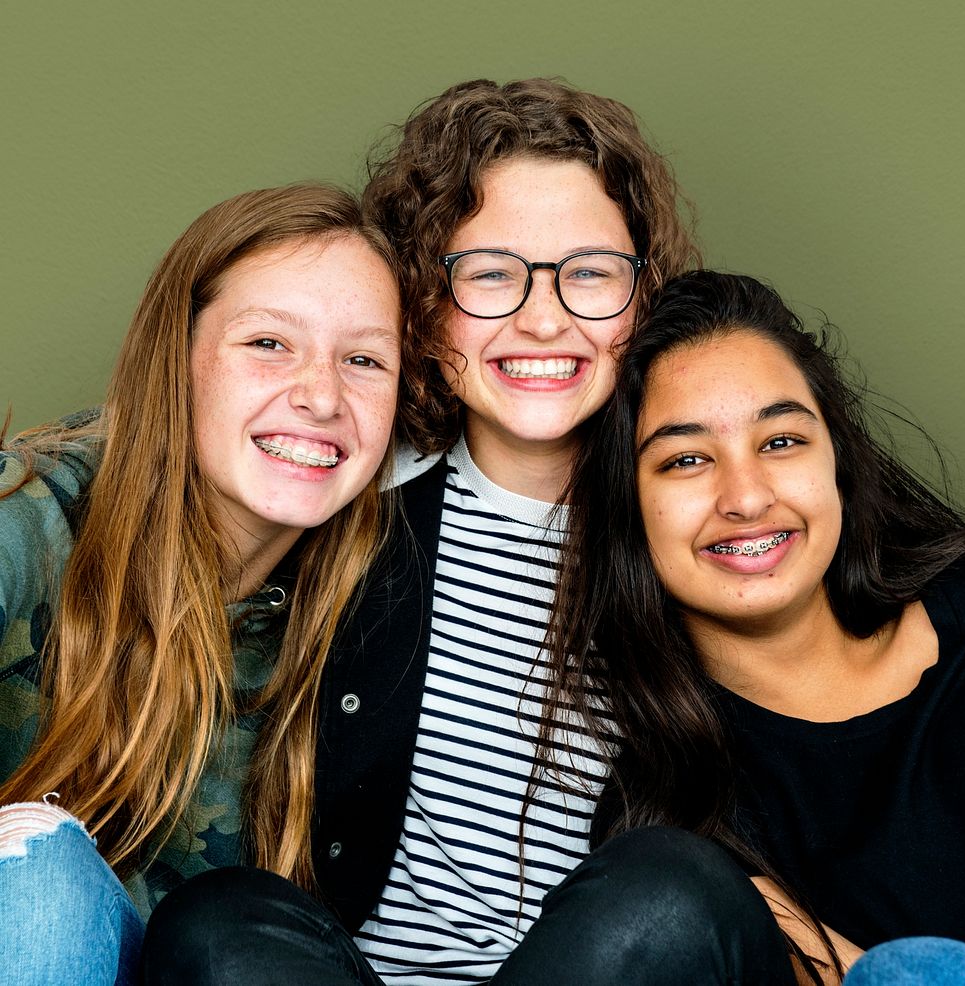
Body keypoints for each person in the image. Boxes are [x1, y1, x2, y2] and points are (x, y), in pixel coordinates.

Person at [141, 79, 810, 985]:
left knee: (673, 884)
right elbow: (173, 454)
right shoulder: (337, 485)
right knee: (216, 920)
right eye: (492, 273)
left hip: (595, 965)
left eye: (591, 272)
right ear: (422, 302)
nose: (543, 318)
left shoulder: (706, 519)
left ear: (643, 297)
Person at [545, 270, 965, 982]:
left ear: (838, 463)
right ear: (631, 513)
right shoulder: (674, 819)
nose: (747, 497)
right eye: (686, 459)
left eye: (781, 441)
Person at [0, 182, 402, 985]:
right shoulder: (27, 520)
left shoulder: (372, 613)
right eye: (268, 344)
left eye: (364, 360)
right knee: (43, 878)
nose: (322, 395)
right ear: (173, 357)